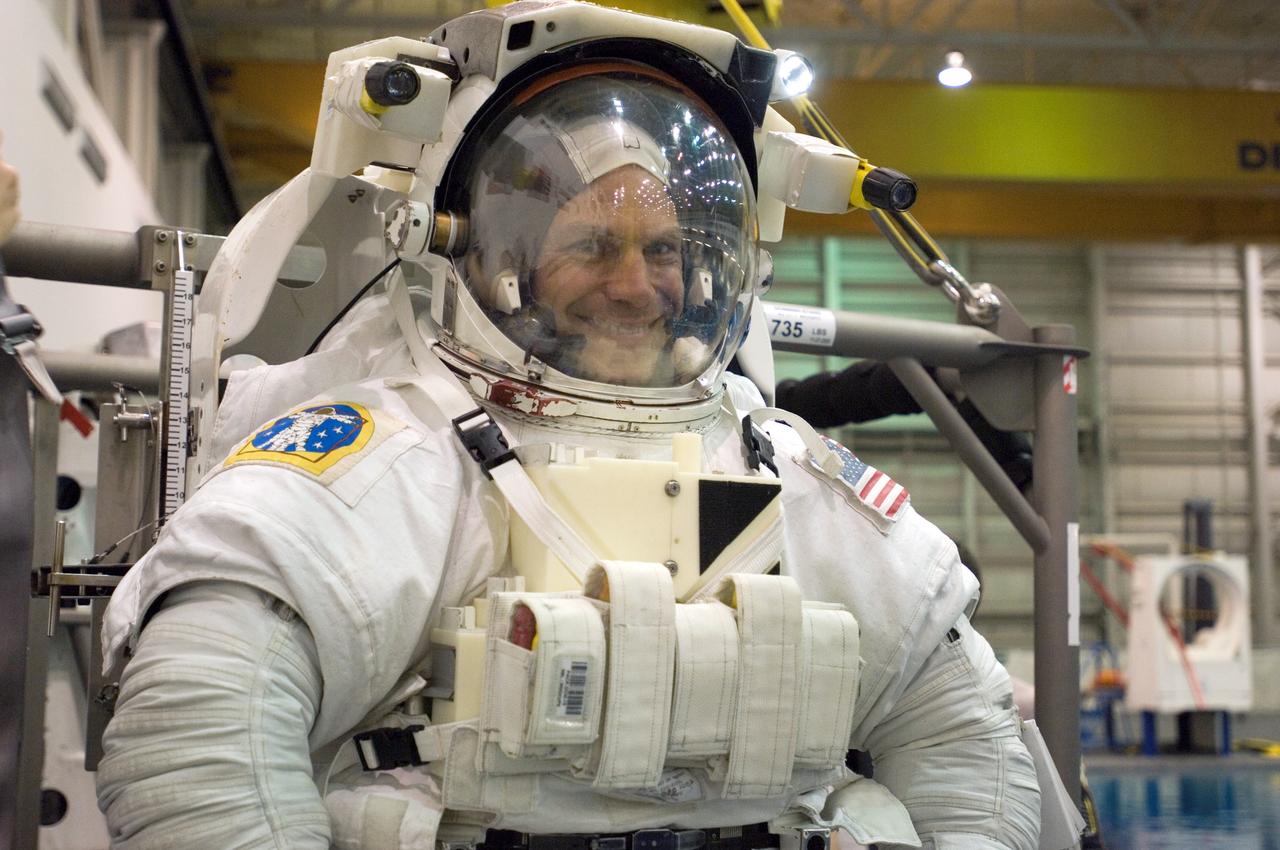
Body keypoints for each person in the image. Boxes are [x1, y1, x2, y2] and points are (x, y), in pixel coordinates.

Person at [95, 4, 1046, 849]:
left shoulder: (777, 468)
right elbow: (201, 736)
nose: (638, 287)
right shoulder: (395, 458)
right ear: (491, 256)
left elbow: (957, 726)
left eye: (664, 249)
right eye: (594, 246)